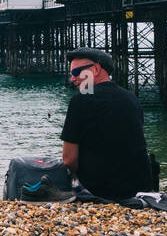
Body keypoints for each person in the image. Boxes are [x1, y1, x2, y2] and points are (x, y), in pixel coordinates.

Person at [60, 48, 153, 200]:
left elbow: (69, 160)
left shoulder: (80, 100)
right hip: (139, 188)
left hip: (99, 190)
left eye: (76, 72)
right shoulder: (132, 99)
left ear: (96, 69)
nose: (72, 79)